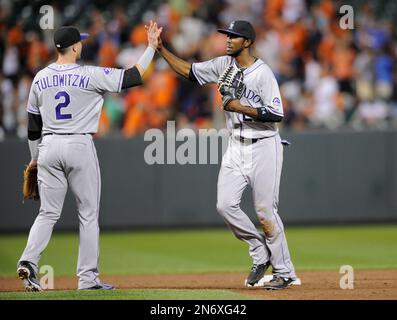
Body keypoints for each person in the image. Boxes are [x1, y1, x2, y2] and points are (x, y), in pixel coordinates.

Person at [17, 22, 162, 291]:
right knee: (88, 214)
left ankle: (28, 260)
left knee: (47, 212)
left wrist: (34, 158)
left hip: (48, 146)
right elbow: (134, 76)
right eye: (80, 41)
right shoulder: (89, 74)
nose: (82, 44)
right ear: (74, 46)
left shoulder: (40, 77)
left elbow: (32, 126)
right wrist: (151, 47)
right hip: (78, 144)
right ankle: (87, 279)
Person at [156, 20, 297, 289]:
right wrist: (161, 49)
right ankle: (259, 251)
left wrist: (241, 108)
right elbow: (189, 71)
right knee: (225, 204)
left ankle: (284, 271)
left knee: (265, 212)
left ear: (248, 42)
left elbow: (277, 113)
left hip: (264, 145)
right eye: (227, 35)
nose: (228, 39)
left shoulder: (263, 73)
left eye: (234, 36)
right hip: (235, 146)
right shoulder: (223, 65)